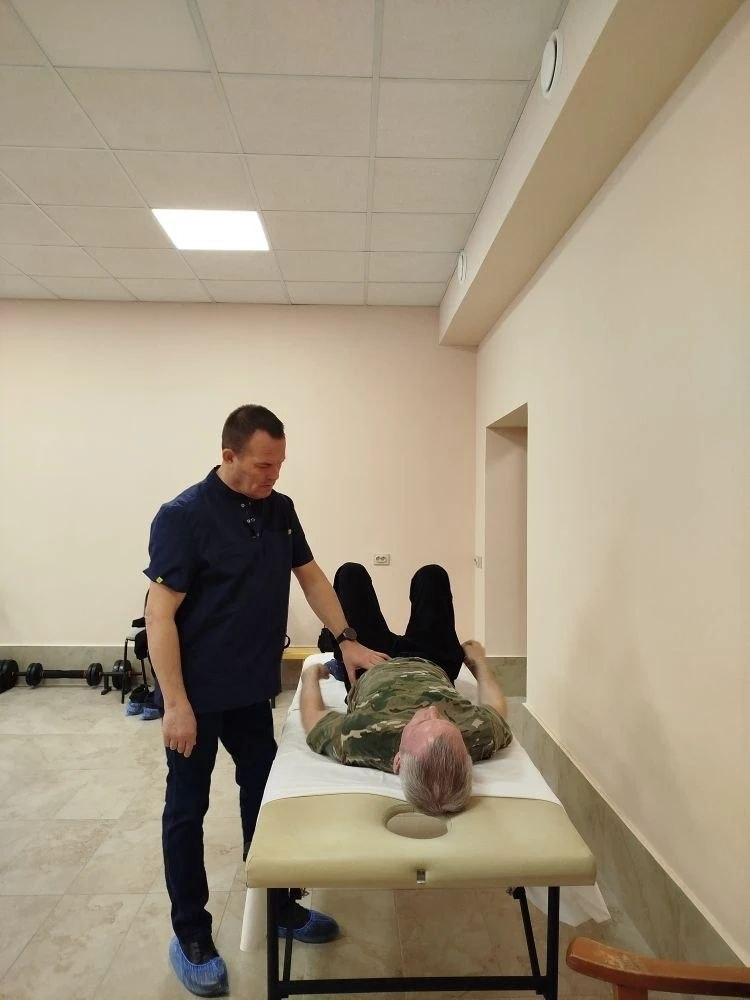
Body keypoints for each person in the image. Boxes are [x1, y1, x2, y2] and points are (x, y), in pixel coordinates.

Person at [144, 406, 387, 998]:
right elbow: (159, 614)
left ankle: (278, 906)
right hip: (197, 697)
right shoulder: (183, 516)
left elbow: (311, 576)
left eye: (279, 465)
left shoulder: (279, 509)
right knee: (187, 809)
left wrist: (347, 638)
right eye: (262, 466)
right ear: (228, 455)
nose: (272, 476)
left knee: (267, 797)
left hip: (252, 690)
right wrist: (174, 703)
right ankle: (191, 932)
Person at [300, 563, 513, 816]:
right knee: (432, 576)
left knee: (350, 574)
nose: (432, 710)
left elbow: (313, 720)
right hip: (432, 661)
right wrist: (479, 663)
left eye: (423, 722)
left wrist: (310, 676)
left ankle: (335, 650)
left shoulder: (364, 738)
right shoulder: (470, 740)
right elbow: (497, 710)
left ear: (398, 760)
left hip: (371, 663)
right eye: (446, 721)